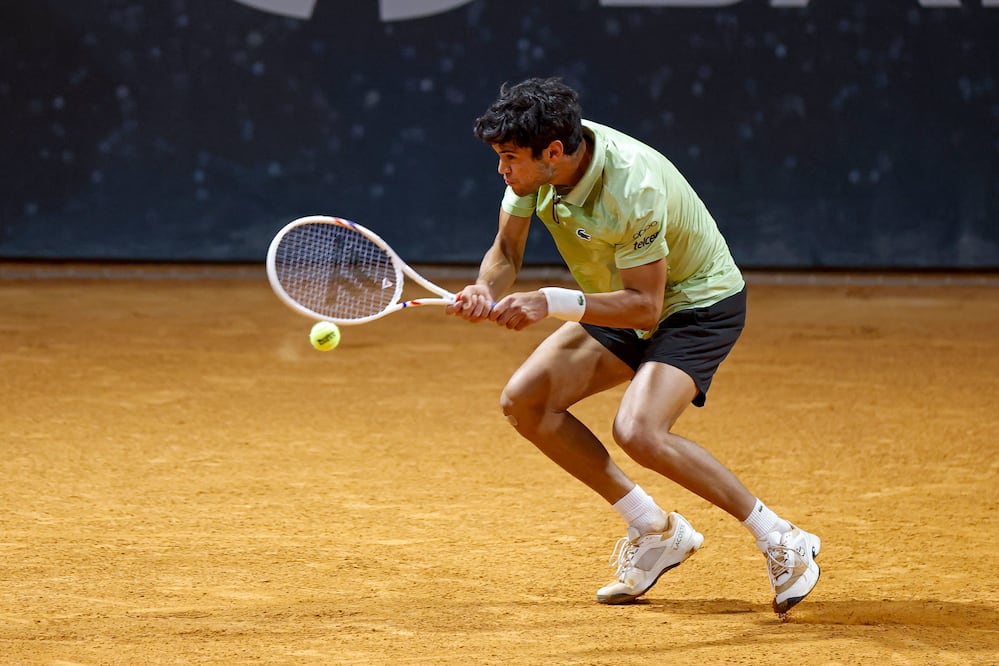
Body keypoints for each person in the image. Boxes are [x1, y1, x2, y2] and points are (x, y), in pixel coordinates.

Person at [446, 76, 820, 617]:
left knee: (639, 430)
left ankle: (782, 538)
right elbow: (506, 249)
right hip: (614, 296)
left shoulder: (631, 187)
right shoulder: (536, 172)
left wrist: (548, 301)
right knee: (525, 402)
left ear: (553, 151)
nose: (501, 170)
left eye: (509, 158)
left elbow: (646, 307)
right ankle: (654, 528)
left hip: (694, 305)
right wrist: (486, 288)